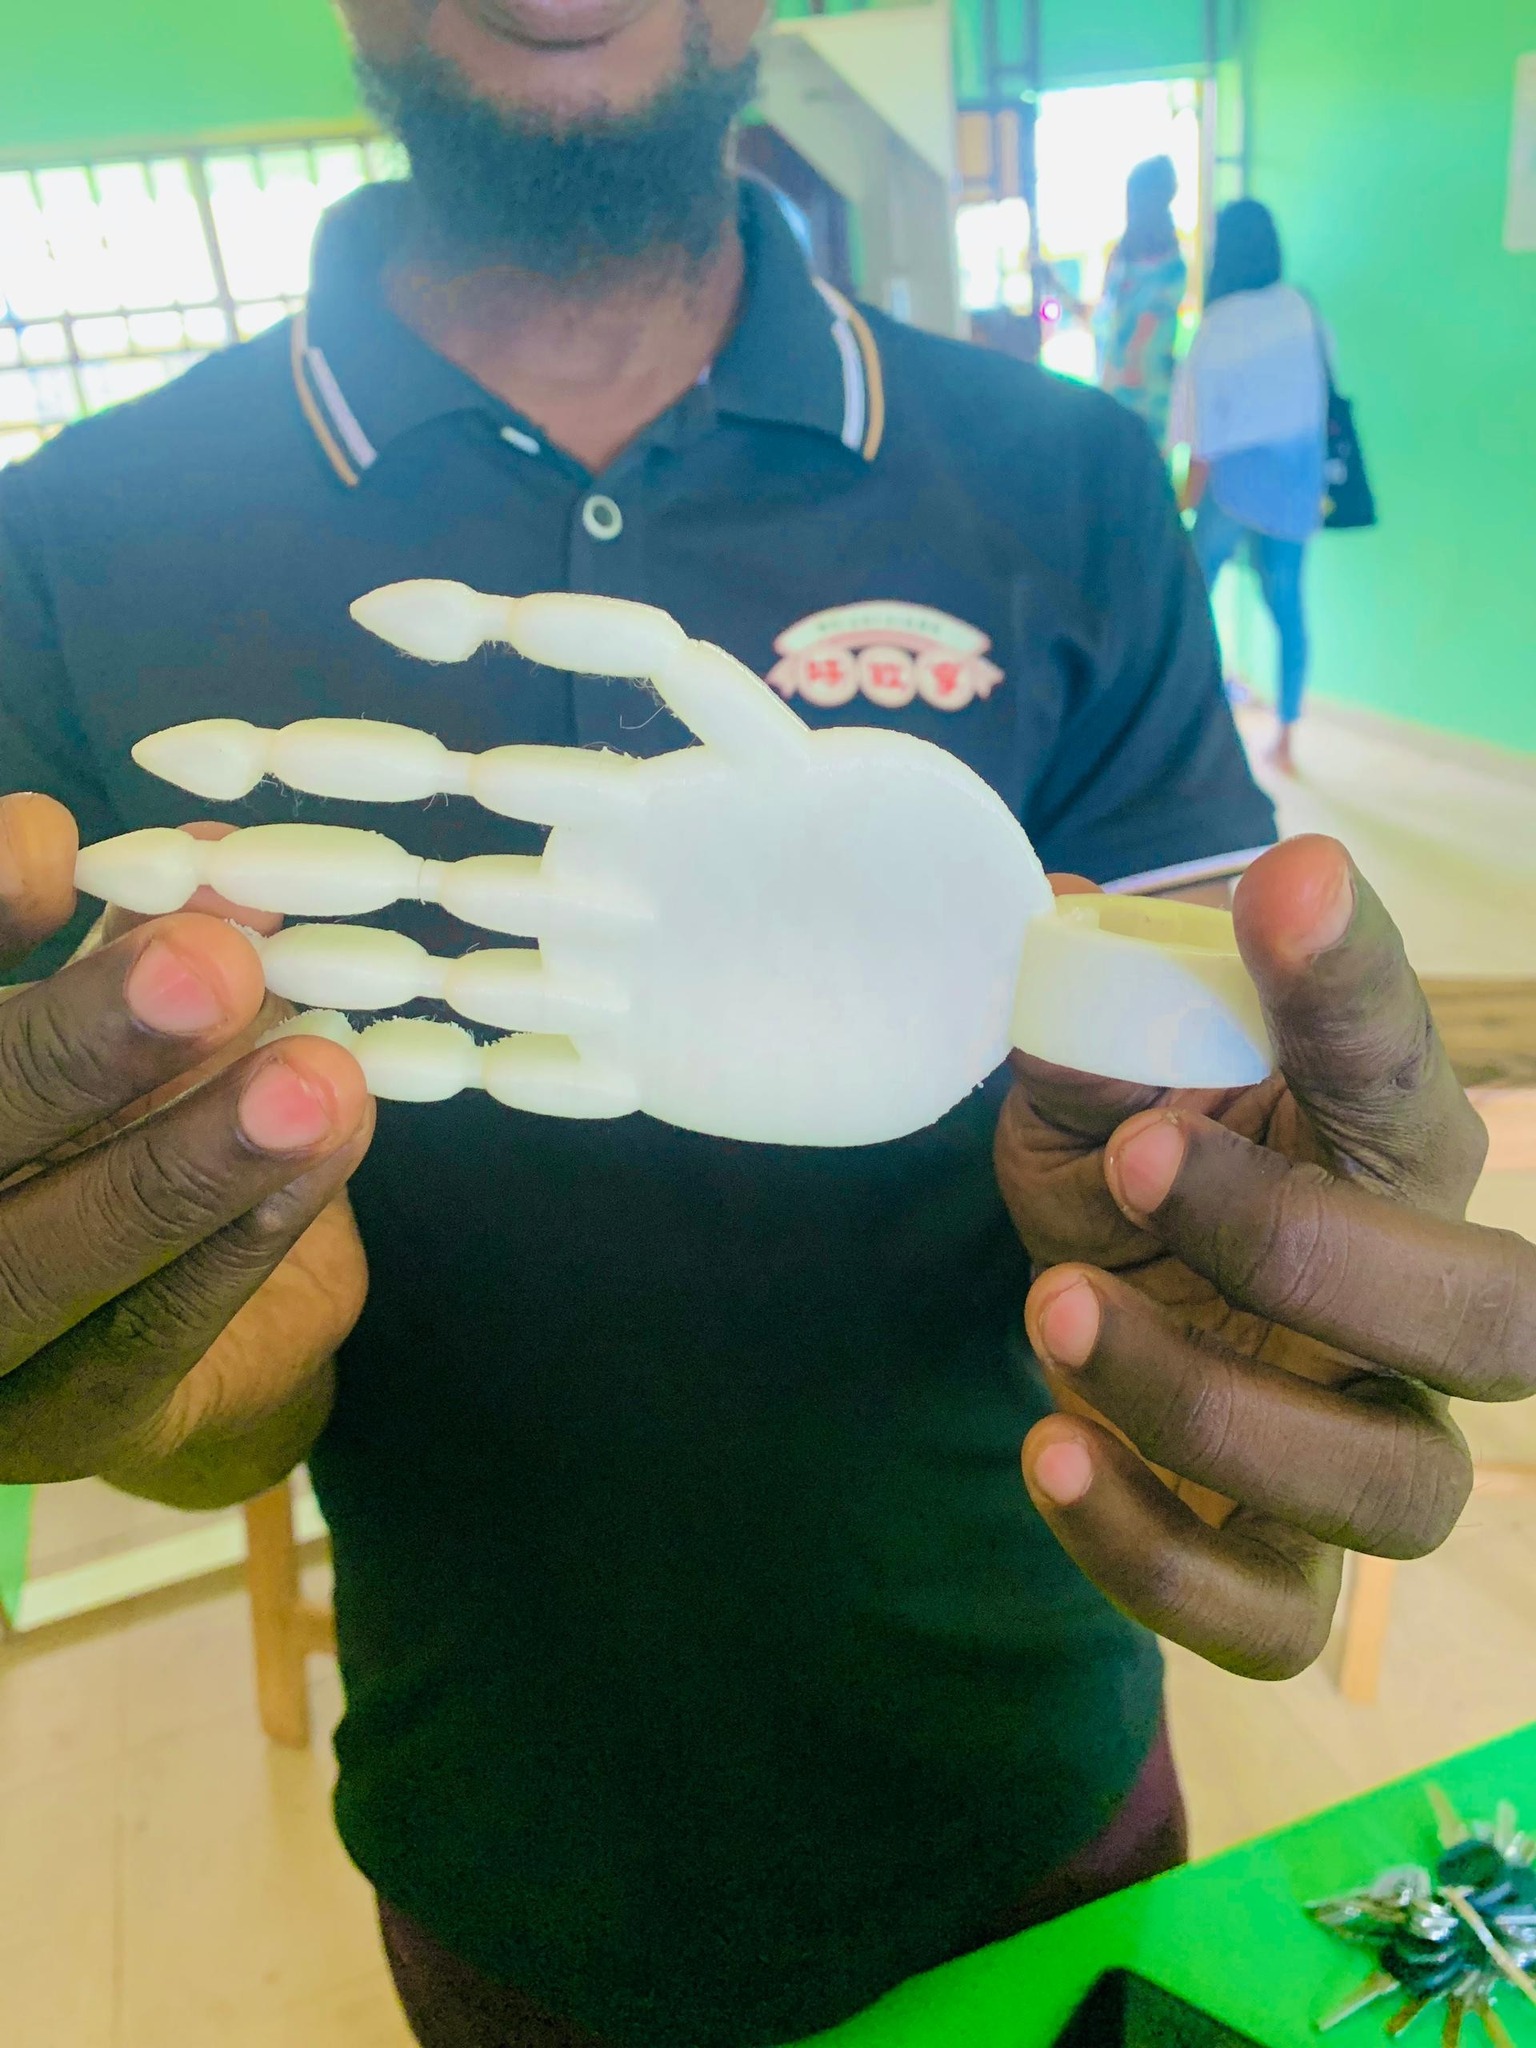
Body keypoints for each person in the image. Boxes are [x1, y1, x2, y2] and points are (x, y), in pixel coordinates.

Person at [0, 6, 1531, 2044]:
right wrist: (160, 1370)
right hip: (495, 1834)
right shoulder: (68, 542)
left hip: (1035, 1778)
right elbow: (192, 1343)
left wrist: (1260, 1272)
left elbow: (1215, 1075)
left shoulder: (1069, 477)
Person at [1172, 198, 1329, 775]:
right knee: (1287, 603)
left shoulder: (1220, 323)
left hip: (1232, 484)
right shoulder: (1301, 309)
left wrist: (1183, 501)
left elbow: (1202, 435)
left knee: (1191, 597)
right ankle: (1285, 737)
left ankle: (1196, 718)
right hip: (1295, 480)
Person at [1094, 155, 1187, 444]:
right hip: (1125, 394)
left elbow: (1130, 331)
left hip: (1142, 398)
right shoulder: (1126, 259)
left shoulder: (1167, 267)